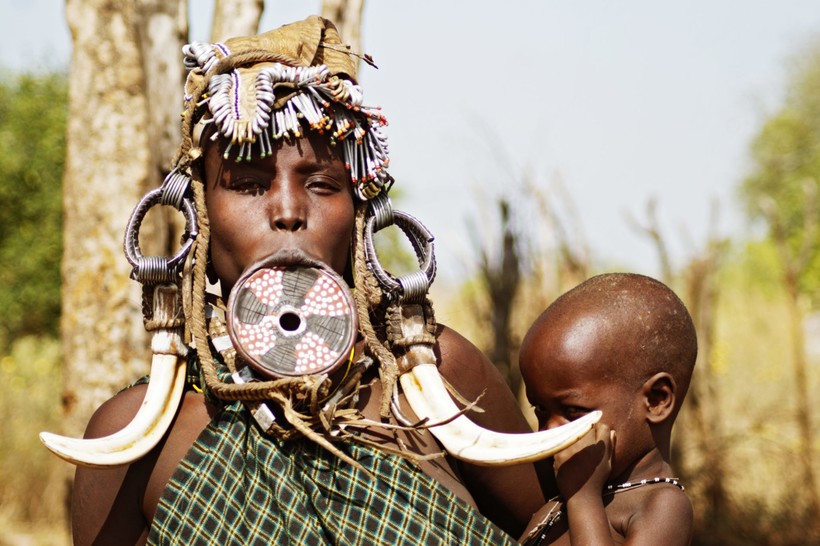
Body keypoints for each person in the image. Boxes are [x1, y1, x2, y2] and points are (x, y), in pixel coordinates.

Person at [61, 16, 562, 546]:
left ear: (363, 218)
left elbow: (553, 532)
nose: (287, 211)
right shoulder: (136, 436)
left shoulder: (437, 377)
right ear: (199, 222)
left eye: (322, 184)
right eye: (249, 185)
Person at [518, 272, 697, 545]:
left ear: (657, 400)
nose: (549, 431)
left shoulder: (662, 505)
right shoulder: (561, 490)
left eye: (574, 411)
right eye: (540, 409)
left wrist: (584, 498)